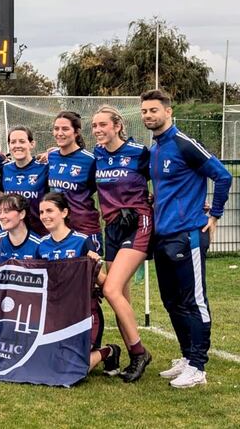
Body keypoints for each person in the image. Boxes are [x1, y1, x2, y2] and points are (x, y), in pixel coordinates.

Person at [141, 89, 231, 388]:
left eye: (154, 110)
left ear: (168, 111)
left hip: (188, 234)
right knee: (171, 301)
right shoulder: (155, 149)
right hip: (163, 236)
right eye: (145, 111)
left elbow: (222, 176)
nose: (148, 115)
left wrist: (214, 213)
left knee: (195, 301)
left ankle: (198, 365)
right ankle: (186, 357)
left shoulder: (184, 143)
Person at [92, 105, 153, 381]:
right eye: (94, 126)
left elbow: (167, 180)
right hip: (112, 227)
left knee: (112, 288)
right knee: (120, 297)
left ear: (117, 125)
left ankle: (140, 353)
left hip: (137, 223)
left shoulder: (139, 153)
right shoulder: (97, 155)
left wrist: (197, 202)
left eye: (103, 125)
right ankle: (130, 354)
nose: (97, 130)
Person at [37, 192, 121, 376]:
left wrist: (96, 265)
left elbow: (104, 282)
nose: (44, 216)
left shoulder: (82, 241)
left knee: (72, 369)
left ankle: (109, 351)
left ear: (64, 212)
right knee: (44, 361)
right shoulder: (41, 246)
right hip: (57, 314)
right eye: (41, 212)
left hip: (84, 313)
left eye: (49, 210)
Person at [47, 111, 102, 251]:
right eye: (56, 128)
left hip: (84, 228)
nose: (59, 133)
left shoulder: (89, 160)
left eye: (65, 129)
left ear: (76, 132)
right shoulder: (51, 157)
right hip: (59, 229)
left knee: (92, 272)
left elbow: (103, 189)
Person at [0, 126, 48, 235]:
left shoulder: (44, 168)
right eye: (13, 142)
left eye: (22, 141)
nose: (17, 146)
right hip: (13, 234)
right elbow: (1, 199)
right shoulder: (6, 168)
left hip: (39, 233)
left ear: (32, 144)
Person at [0, 193, 42, 261]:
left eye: (6, 211)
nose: (1, 217)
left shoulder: (38, 245)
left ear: (22, 214)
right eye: (0, 212)